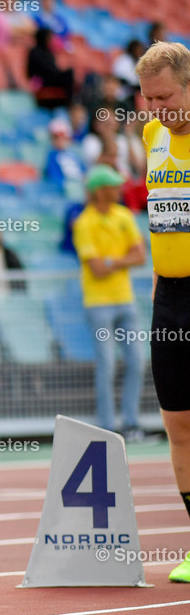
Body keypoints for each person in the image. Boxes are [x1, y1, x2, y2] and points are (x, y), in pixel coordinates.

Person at [135, 40, 190, 582]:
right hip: (169, 297)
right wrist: (156, 289)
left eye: (166, 97)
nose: (157, 109)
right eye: (149, 100)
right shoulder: (152, 135)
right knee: (177, 422)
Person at [72, 164, 147, 441]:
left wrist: (112, 260)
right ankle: (107, 426)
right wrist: (122, 260)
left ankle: (130, 423)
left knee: (136, 362)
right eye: (113, 186)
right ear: (100, 191)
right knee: (107, 366)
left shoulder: (123, 215)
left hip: (123, 298)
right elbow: (96, 269)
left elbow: (140, 256)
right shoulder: (84, 223)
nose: (119, 190)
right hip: (99, 302)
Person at [27, 27, 74, 110]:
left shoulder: (48, 52)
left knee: (69, 72)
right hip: (42, 81)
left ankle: (69, 101)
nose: (51, 40)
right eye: (49, 37)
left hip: (52, 78)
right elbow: (40, 70)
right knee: (68, 74)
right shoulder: (35, 52)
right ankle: (69, 103)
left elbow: (53, 68)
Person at [43, 118, 84, 193]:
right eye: (56, 137)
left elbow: (83, 171)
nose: (60, 140)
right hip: (65, 189)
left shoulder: (74, 155)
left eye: (63, 136)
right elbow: (55, 177)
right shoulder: (51, 156)